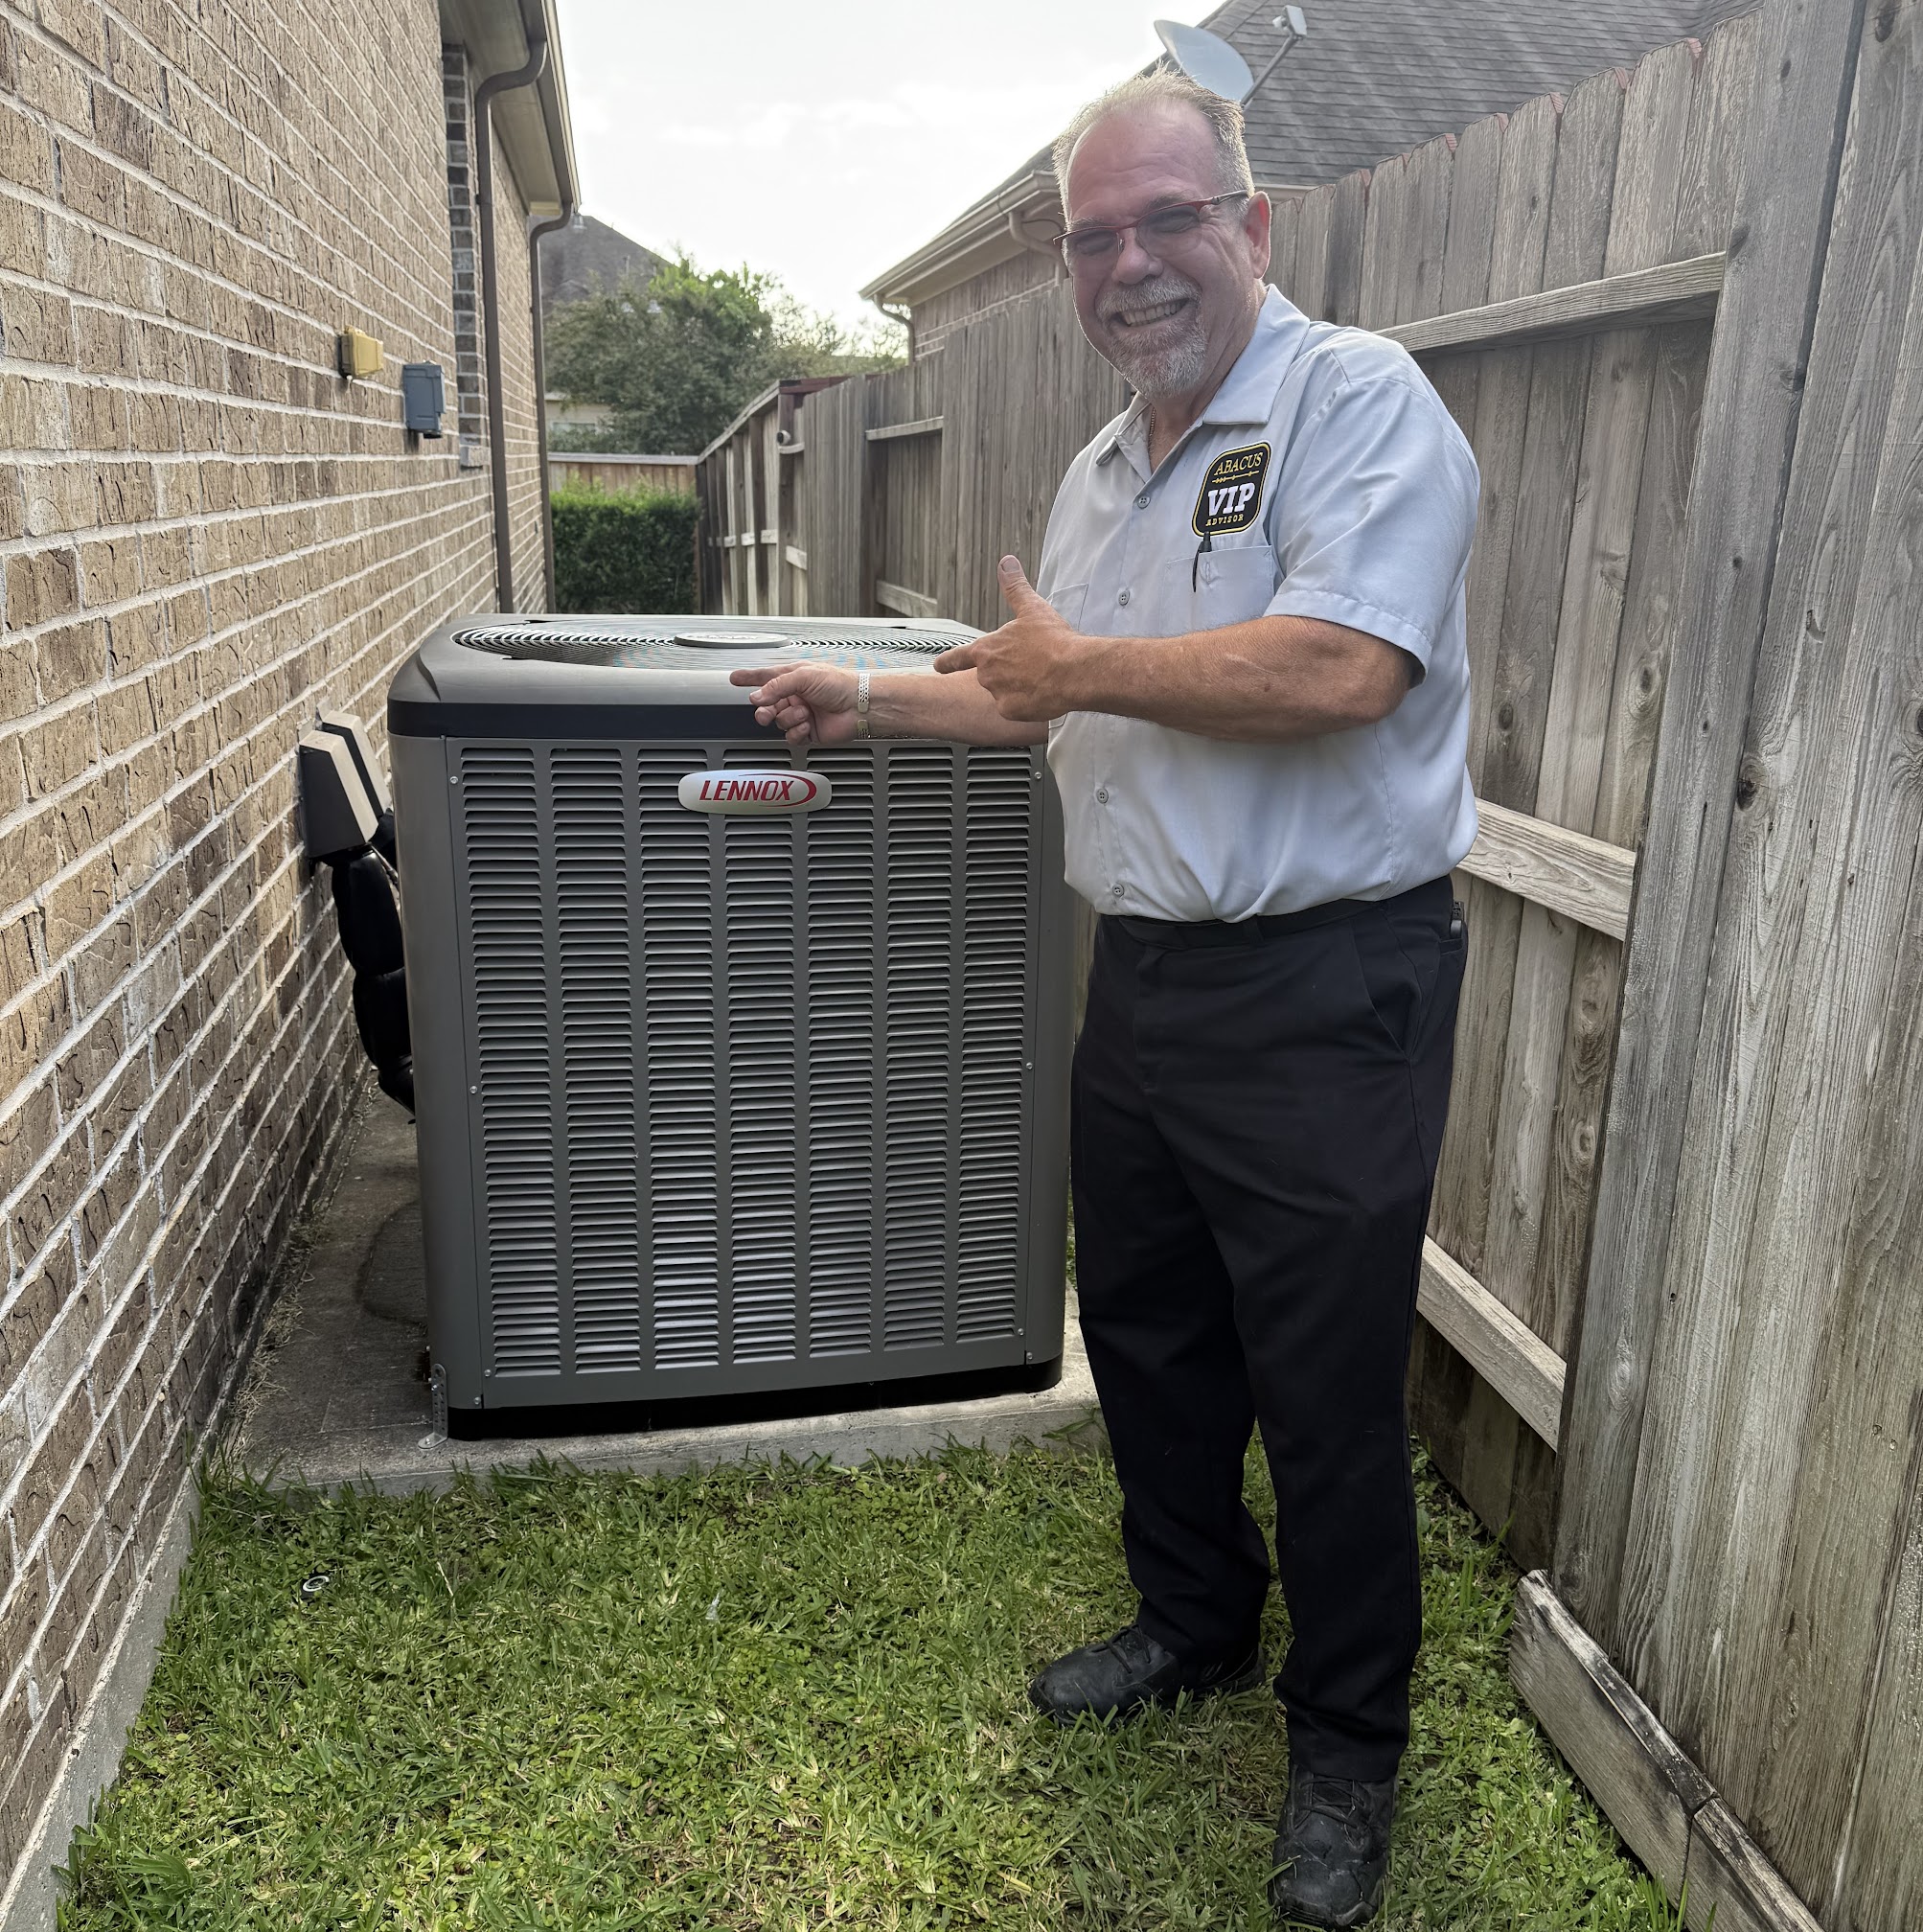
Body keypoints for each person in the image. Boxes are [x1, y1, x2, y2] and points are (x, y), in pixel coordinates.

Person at [731, 69, 1478, 1931]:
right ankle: (1192, 1623)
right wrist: (868, 697)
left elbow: (1338, 663)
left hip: (1323, 987)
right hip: (1141, 978)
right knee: (1143, 1331)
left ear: (1254, 224)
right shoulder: (1095, 466)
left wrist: (1083, 660)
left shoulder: (1350, 404)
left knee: (1316, 1392)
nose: (1128, 263)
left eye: (1166, 220)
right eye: (1092, 237)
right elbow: (1036, 688)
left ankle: (1343, 1750)